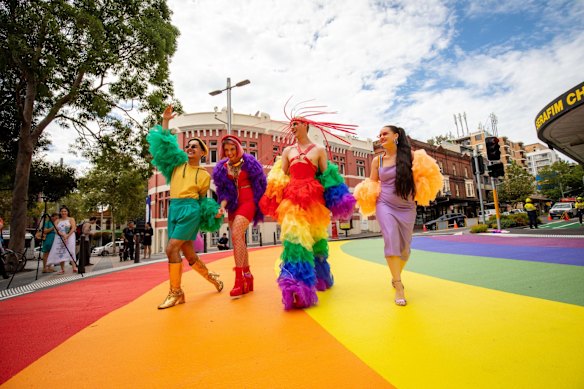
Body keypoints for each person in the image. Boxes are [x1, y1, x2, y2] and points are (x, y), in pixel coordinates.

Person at [260, 113, 356, 310]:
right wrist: (274, 193)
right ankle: (297, 289)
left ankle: (321, 276)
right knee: (296, 242)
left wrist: (336, 198)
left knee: (316, 240)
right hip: (292, 200)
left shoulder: (319, 150)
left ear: (305, 125)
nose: (292, 127)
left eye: (295, 124)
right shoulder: (287, 151)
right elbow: (283, 175)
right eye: (291, 124)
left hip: (313, 201)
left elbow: (326, 175)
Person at [354, 125, 442, 306]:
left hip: (407, 207)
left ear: (396, 135)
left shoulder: (411, 156)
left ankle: (395, 276)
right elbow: (372, 182)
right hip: (384, 204)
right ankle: (399, 285)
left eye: (385, 133)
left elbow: (424, 175)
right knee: (391, 239)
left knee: (405, 250)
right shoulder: (376, 161)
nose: (381, 137)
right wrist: (363, 196)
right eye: (379, 134)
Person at [147, 104, 224, 310]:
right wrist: (165, 121)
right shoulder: (176, 165)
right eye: (188, 145)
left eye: (194, 147)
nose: (189, 148)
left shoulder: (204, 176)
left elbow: (201, 200)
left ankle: (176, 292)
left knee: (171, 248)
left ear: (202, 153)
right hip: (173, 207)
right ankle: (213, 279)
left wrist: (213, 210)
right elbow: (164, 146)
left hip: (190, 210)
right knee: (189, 255)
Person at [212, 134, 267, 297]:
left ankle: (239, 280)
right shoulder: (222, 168)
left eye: (232, 149)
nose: (229, 153)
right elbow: (223, 193)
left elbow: (261, 184)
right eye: (226, 150)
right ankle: (248, 275)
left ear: (238, 147)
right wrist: (221, 208)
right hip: (233, 206)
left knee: (236, 234)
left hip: (249, 201)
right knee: (239, 240)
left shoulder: (250, 162)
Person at [46, 206, 78, 274]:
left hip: (70, 236)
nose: (64, 212)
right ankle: (62, 269)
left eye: (65, 211)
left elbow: (73, 228)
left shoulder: (71, 219)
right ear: (60, 212)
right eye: (62, 211)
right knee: (60, 252)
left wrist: (67, 235)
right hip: (59, 237)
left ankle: (74, 267)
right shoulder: (57, 220)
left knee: (71, 251)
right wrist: (63, 235)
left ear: (67, 212)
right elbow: (55, 230)